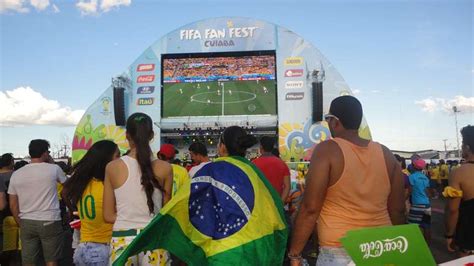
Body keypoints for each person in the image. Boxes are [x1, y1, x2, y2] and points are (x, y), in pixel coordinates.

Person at [288, 95, 405, 266]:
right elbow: (398, 210)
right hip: (381, 245)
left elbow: (310, 209)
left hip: (339, 249)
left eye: (328, 119)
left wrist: (295, 254)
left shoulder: (327, 150)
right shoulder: (386, 153)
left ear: (335, 121)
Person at [103, 113, 173, 265]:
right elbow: (167, 214)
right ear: (152, 135)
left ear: (127, 135)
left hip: (122, 241)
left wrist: (129, 219)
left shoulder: (112, 167)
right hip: (154, 240)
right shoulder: (166, 168)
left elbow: (108, 215)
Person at [7, 139, 67, 266]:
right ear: (45, 153)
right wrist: (51, 162)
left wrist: (20, 222)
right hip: (50, 220)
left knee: (29, 261)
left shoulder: (17, 174)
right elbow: (67, 186)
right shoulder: (54, 169)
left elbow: (13, 204)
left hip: (26, 221)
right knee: (51, 260)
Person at [62, 140, 120, 265]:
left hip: (83, 249)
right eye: (117, 156)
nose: (120, 161)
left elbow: (65, 192)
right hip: (103, 250)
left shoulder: (81, 184)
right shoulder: (109, 188)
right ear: (106, 161)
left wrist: (72, 212)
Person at [444, 125, 474, 257]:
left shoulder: (459, 173)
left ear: (467, 147)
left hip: (469, 232)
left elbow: (453, 210)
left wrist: (449, 234)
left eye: (462, 144)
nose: (461, 147)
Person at [252, 136, 290, 202]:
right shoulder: (282, 164)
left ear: (261, 147)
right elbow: (287, 186)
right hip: (276, 203)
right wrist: (281, 203)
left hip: (259, 204)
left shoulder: (253, 164)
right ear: (272, 147)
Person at [407, 158, 433, 243]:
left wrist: (405, 199)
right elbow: (428, 193)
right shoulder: (425, 178)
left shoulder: (412, 177)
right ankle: (428, 244)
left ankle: (416, 244)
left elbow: (409, 191)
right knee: (426, 225)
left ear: (414, 166)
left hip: (417, 205)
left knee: (413, 225)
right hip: (427, 204)